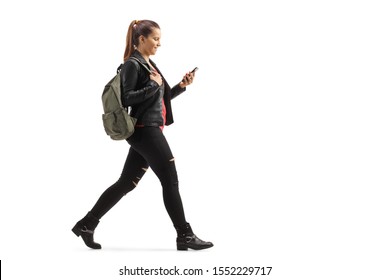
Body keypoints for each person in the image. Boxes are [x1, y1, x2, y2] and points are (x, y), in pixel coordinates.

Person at [72, 19, 213, 251]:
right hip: (144, 131)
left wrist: (181, 85)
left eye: (160, 39)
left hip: (150, 130)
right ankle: (184, 235)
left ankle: (86, 224)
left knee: (126, 183)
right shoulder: (132, 65)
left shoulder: (151, 65)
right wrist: (152, 85)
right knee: (170, 180)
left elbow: (157, 98)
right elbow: (127, 99)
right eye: (156, 38)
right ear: (141, 39)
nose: (159, 43)